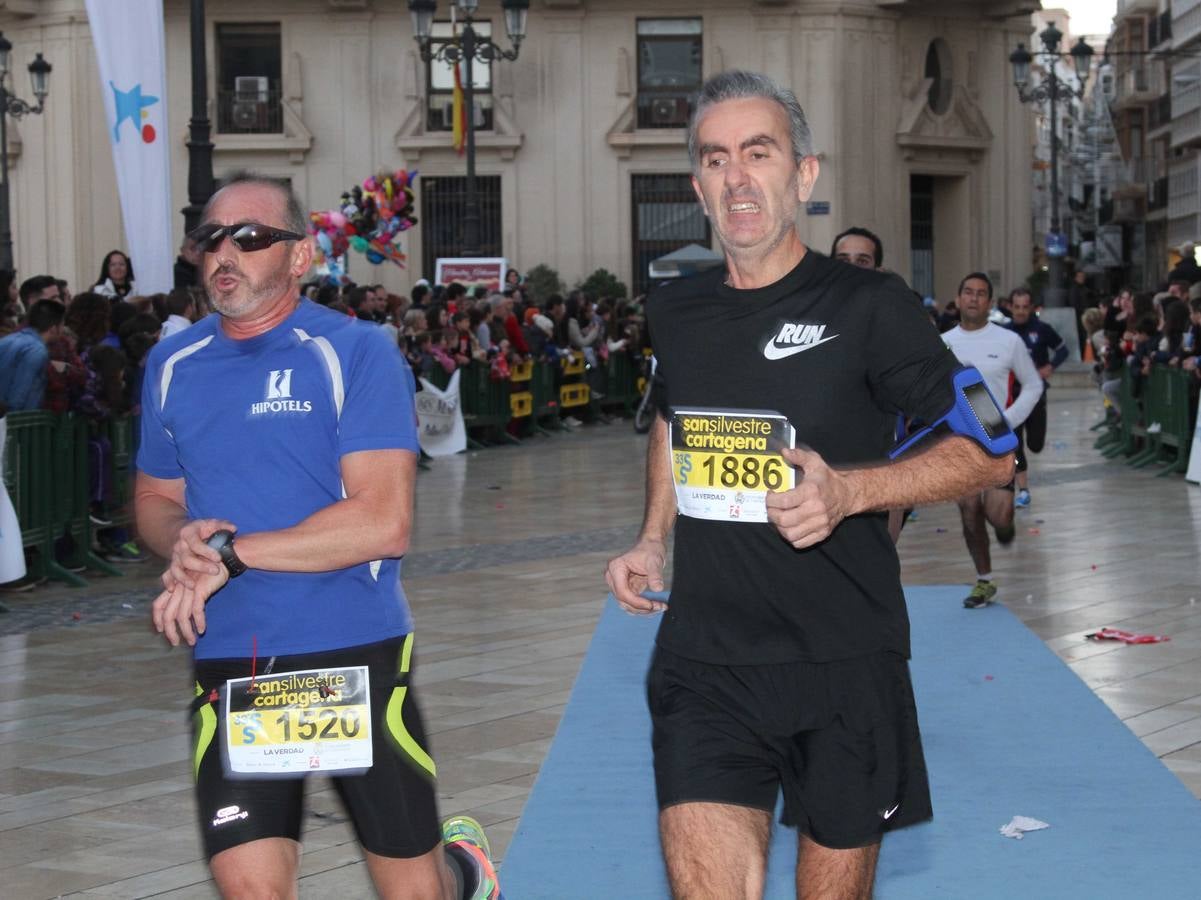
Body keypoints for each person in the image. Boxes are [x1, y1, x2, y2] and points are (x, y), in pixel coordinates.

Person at [605, 70, 1012, 900]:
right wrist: (653, 536)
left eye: (759, 153)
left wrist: (850, 493)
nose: (737, 177)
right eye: (716, 160)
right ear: (698, 185)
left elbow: (994, 450)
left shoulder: (872, 305)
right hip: (705, 660)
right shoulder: (676, 308)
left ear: (804, 174)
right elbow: (673, 419)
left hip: (842, 658)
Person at [134, 173, 502, 900]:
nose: (224, 254)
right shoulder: (171, 364)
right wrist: (180, 538)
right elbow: (152, 496)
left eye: (251, 237)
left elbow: (382, 522)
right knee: (252, 889)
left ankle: (462, 873)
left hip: (350, 651)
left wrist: (230, 556)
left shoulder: (356, 351)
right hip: (233, 659)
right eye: (210, 239)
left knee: (412, 891)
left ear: (300, 257)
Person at [942, 273, 1043, 609]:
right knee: (969, 511)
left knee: (996, 516)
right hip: (960, 444)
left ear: (990, 302)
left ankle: (1003, 523)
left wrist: (1008, 421)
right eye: (967, 292)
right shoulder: (942, 343)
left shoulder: (1008, 341)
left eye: (981, 294)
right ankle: (984, 579)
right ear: (958, 299)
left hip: (1000, 443)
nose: (973, 299)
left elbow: (1033, 385)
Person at [1005, 288, 1067, 508]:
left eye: (1025, 307)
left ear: (1031, 308)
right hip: (1012, 397)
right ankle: (1023, 490)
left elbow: (1063, 350)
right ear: (1010, 307)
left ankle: (1022, 482)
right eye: (1017, 307)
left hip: (1035, 395)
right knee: (1015, 444)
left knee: (1035, 444)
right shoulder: (1005, 333)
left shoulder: (1041, 330)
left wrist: (1050, 366)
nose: (1021, 311)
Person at [0, 299, 64, 410]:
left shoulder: (7, 339)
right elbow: (19, 395)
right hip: (14, 421)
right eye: (62, 325)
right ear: (54, 329)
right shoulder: (38, 350)